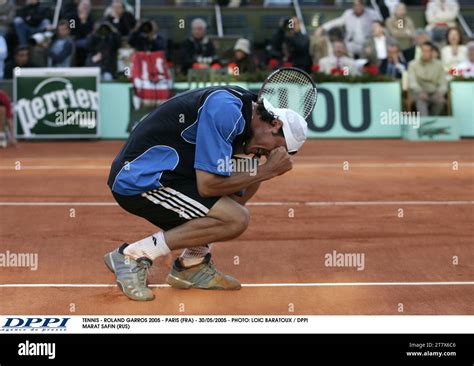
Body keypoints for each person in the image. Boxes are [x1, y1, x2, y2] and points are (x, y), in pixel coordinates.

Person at [104, 85, 308, 301]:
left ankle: (191, 264)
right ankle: (132, 256)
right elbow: (208, 186)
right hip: (141, 178)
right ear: (274, 124)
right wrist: (267, 170)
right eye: (273, 148)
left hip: (176, 174)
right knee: (236, 219)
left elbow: (236, 179)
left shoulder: (246, 110)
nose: (268, 154)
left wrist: (259, 170)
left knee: (249, 176)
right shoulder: (226, 110)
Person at [317, 0, 382, 58]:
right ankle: (347, 70)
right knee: (343, 48)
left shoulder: (371, 13)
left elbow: (380, 24)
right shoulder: (348, 14)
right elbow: (337, 22)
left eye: (359, 5)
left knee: (372, 50)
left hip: (367, 42)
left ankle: (369, 70)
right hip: (352, 43)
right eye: (355, 5)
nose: (357, 7)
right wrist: (322, 28)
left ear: (363, 6)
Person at [408, 41, 447, 116]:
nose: (425, 53)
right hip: (418, 93)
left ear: (432, 52)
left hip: (434, 92)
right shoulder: (412, 64)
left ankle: (433, 121)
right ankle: (425, 121)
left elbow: (443, 83)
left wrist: (440, 92)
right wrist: (420, 91)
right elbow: (412, 82)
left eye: (427, 51)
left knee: (440, 101)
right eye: (423, 51)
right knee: (421, 100)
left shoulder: (439, 65)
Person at [68, 0, 94, 66]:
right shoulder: (72, 17)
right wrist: (81, 22)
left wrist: (84, 22)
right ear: (78, 7)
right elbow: (72, 31)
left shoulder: (90, 19)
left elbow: (88, 33)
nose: (85, 8)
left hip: (86, 41)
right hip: (74, 39)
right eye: (83, 6)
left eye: (87, 7)